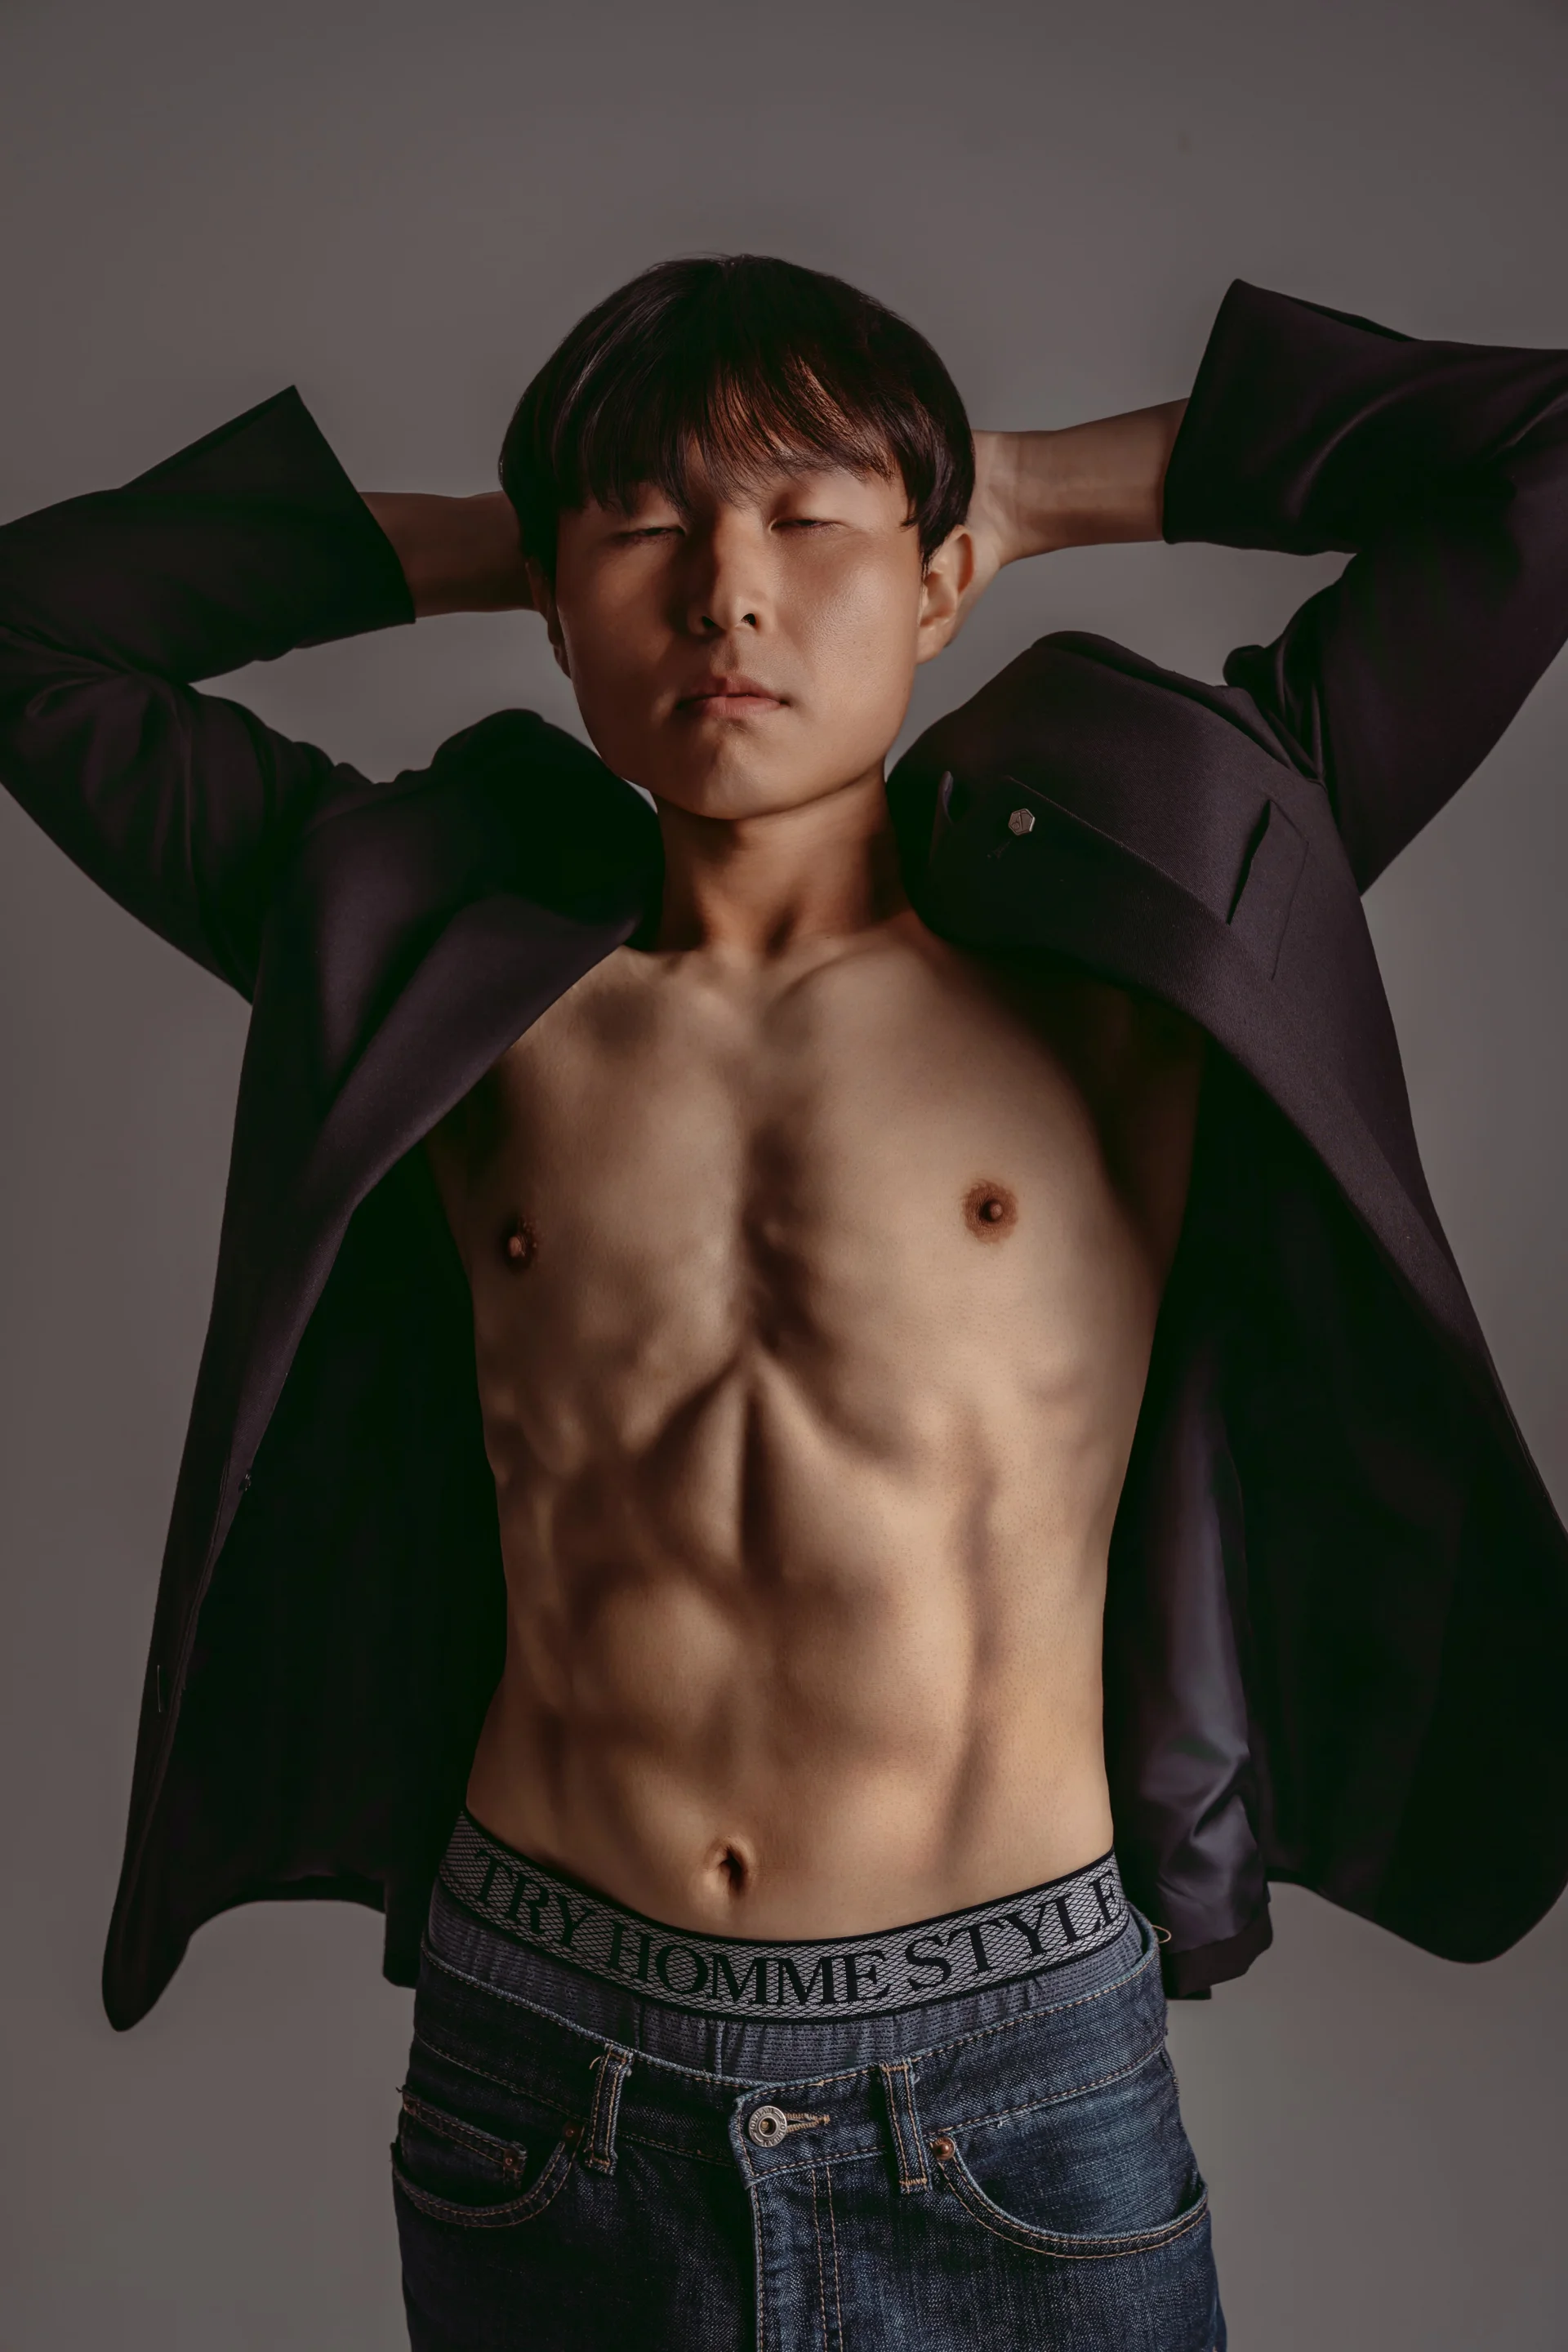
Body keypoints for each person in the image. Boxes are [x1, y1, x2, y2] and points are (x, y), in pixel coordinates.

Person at [2, 254, 1566, 2351]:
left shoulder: (1151, 916)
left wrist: (1022, 486)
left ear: (939, 580)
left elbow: (1543, 459)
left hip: (1013, 2075)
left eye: (810, 522)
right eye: (650, 530)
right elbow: (32, 628)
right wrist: (516, 532)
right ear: (562, 599)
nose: (728, 594)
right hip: (549, 2063)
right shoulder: (423, 948)